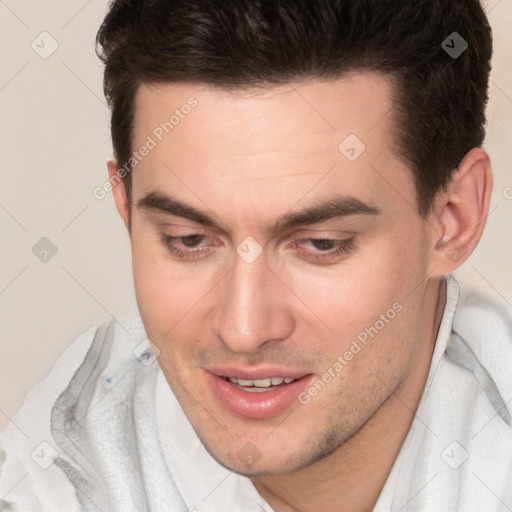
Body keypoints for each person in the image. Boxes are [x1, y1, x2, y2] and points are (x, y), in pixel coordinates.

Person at [1, 0, 511, 510]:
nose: (243, 330)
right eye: (189, 239)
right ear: (128, 212)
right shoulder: (50, 482)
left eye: (321, 244)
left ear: (452, 220)